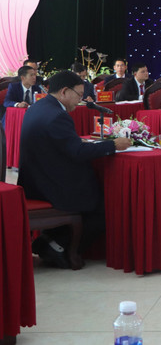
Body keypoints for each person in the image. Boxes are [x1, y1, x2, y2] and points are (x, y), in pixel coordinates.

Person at [16, 71, 132, 268]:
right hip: (49, 185)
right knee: (103, 205)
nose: (80, 100)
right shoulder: (57, 116)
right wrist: (114, 145)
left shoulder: (39, 107)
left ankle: (47, 242)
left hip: (34, 180)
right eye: (78, 95)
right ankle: (61, 248)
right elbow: (77, 152)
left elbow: (63, 145)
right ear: (64, 92)